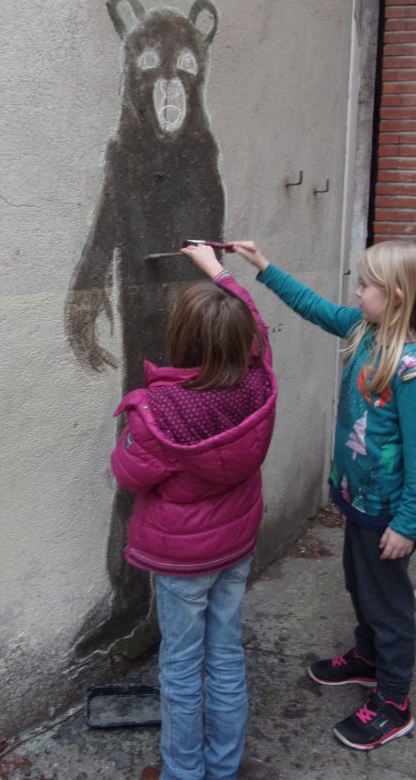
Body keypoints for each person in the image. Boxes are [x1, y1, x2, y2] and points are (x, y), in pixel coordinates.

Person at [230, 238, 416, 751]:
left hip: (387, 511)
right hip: (356, 498)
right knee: (357, 583)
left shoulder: (411, 368)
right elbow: (311, 305)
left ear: (393, 295)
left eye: (366, 284)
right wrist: (262, 265)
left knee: (387, 604)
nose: (357, 290)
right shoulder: (362, 328)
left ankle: (394, 704)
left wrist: (407, 523)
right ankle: (367, 659)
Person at [110, 243, 278, 780]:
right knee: (225, 654)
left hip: (183, 563)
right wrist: (219, 271)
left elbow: (128, 474)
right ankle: (223, 768)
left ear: (181, 340)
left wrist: (126, 441)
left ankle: (184, 773)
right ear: (241, 343)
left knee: (181, 668)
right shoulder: (259, 382)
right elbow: (256, 323)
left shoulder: (159, 411)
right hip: (235, 546)